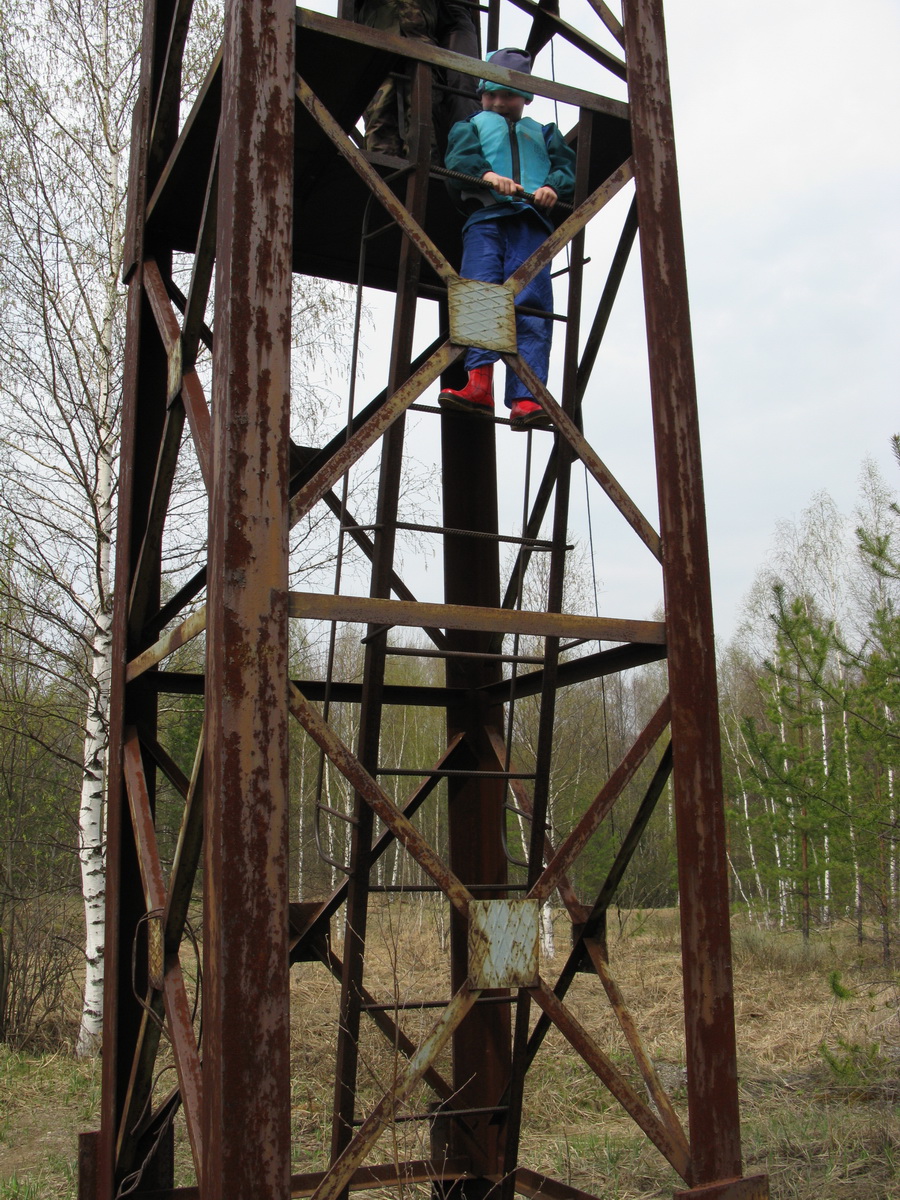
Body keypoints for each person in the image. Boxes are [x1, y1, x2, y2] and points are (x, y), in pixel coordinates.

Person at [437, 47, 576, 431]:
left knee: (532, 304)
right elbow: (460, 159)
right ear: (482, 93)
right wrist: (487, 175)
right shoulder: (469, 126)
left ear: (525, 97)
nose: (498, 103)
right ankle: (479, 383)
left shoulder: (545, 133)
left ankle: (527, 396)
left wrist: (551, 187)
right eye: (491, 94)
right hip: (486, 219)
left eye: (508, 95)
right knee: (480, 293)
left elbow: (565, 169)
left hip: (531, 224)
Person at [354, 0, 479, 156]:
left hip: (419, 41)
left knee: (423, 120)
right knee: (380, 119)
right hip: (380, 39)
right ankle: (379, 169)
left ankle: (423, 167)